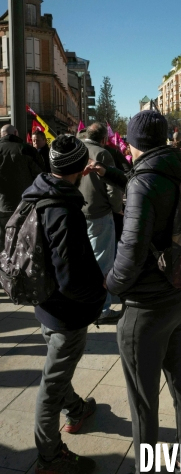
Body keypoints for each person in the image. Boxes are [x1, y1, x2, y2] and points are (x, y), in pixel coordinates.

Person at [105, 110, 181, 474]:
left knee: (143, 400)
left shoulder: (142, 183)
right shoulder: (180, 167)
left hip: (146, 304)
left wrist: (110, 283)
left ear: (133, 143)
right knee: (180, 382)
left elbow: (130, 251)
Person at [23, 135, 106, 474]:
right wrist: (99, 296)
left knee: (57, 368)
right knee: (51, 383)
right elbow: (72, 280)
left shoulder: (39, 190)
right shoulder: (64, 211)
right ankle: (49, 455)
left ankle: (76, 409)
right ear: (78, 170)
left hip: (43, 301)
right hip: (65, 313)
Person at [80, 122, 123, 325]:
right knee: (102, 262)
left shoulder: (77, 150)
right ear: (104, 139)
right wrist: (117, 208)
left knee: (86, 260)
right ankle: (102, 309)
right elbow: (113, 186)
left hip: (78, 211)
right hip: (99, 212)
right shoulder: (102, 154)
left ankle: (87, 301)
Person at [0, 124, 43, 251]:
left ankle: (4, 266)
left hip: (2, 205)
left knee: (3, 240)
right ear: (16, 133)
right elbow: (41, 176)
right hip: (25, 205)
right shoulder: (27, 150)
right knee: (23, 239)